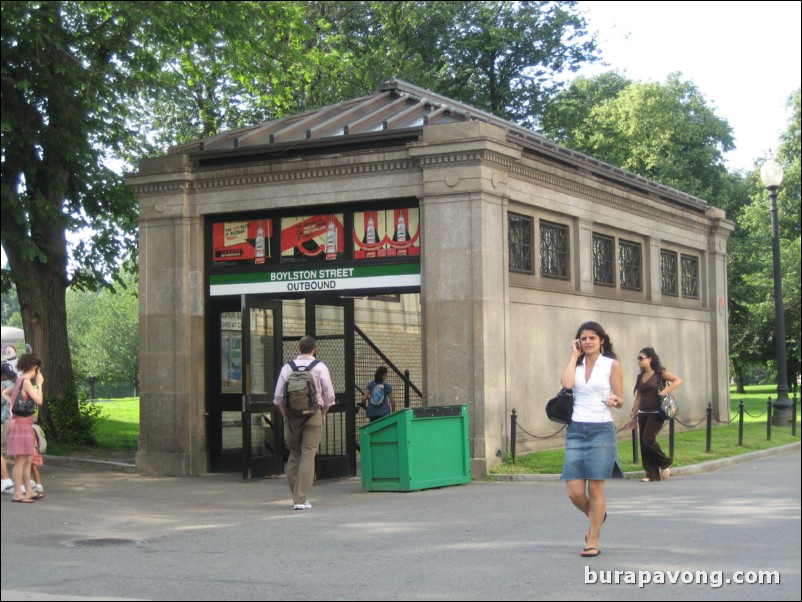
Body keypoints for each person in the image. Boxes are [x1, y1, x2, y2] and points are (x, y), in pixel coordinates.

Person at [560, 321, 624, 558]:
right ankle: (598, 516)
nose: (587, 342)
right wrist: (572, 355)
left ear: (601, 341)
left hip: (601, 429)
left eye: (592, 338)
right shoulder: (575, 364)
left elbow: (621, 398)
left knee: (596, 488)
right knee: (575, 492)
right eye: (583, 338)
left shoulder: (611, 365)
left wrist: (616, 401)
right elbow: (566, 384)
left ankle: (593, 539)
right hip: (576, 429)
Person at [273, 336, 335, 511]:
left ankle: (297, 495)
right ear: (314, 349)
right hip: (313, 415)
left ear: (298, 348)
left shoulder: (287, 368)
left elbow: (278, 397)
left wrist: (286, 415)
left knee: (294, 454)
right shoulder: (320, 367)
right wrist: (323, 413)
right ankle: (300, 498)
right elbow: (329, 396)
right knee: (308, 454)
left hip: (292, 417)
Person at [628, 347, 683, 482]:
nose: (638, 361)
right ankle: (651, 474)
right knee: (644, 443)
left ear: (650, 359)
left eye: (641, 358)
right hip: (643, 413)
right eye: (637, 358)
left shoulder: (660, 373)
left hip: (657, 412)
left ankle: (665, 462)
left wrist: (665, 391)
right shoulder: (640, 377)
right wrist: (633, 416)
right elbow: (639, 397)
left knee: (648, 439)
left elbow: (678, 380)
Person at [3, 353, 44, 503]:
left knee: (27, 458)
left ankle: (28, 490)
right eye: (38, 369)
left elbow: (5, 393)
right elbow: (39, 400)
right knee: (21, 460)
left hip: (21, 424)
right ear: (35, 367)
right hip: (21, 425)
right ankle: (18, 493)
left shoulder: (19, 380)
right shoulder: (26, 382)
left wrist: (13, 406)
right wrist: (40, 384)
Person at [1, 362, 16, 494]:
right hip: (16, 419)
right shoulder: (15, 383)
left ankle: (6, 481)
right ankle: (25, 481)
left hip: (5, 420)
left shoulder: (3, 385)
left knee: (2, 451)